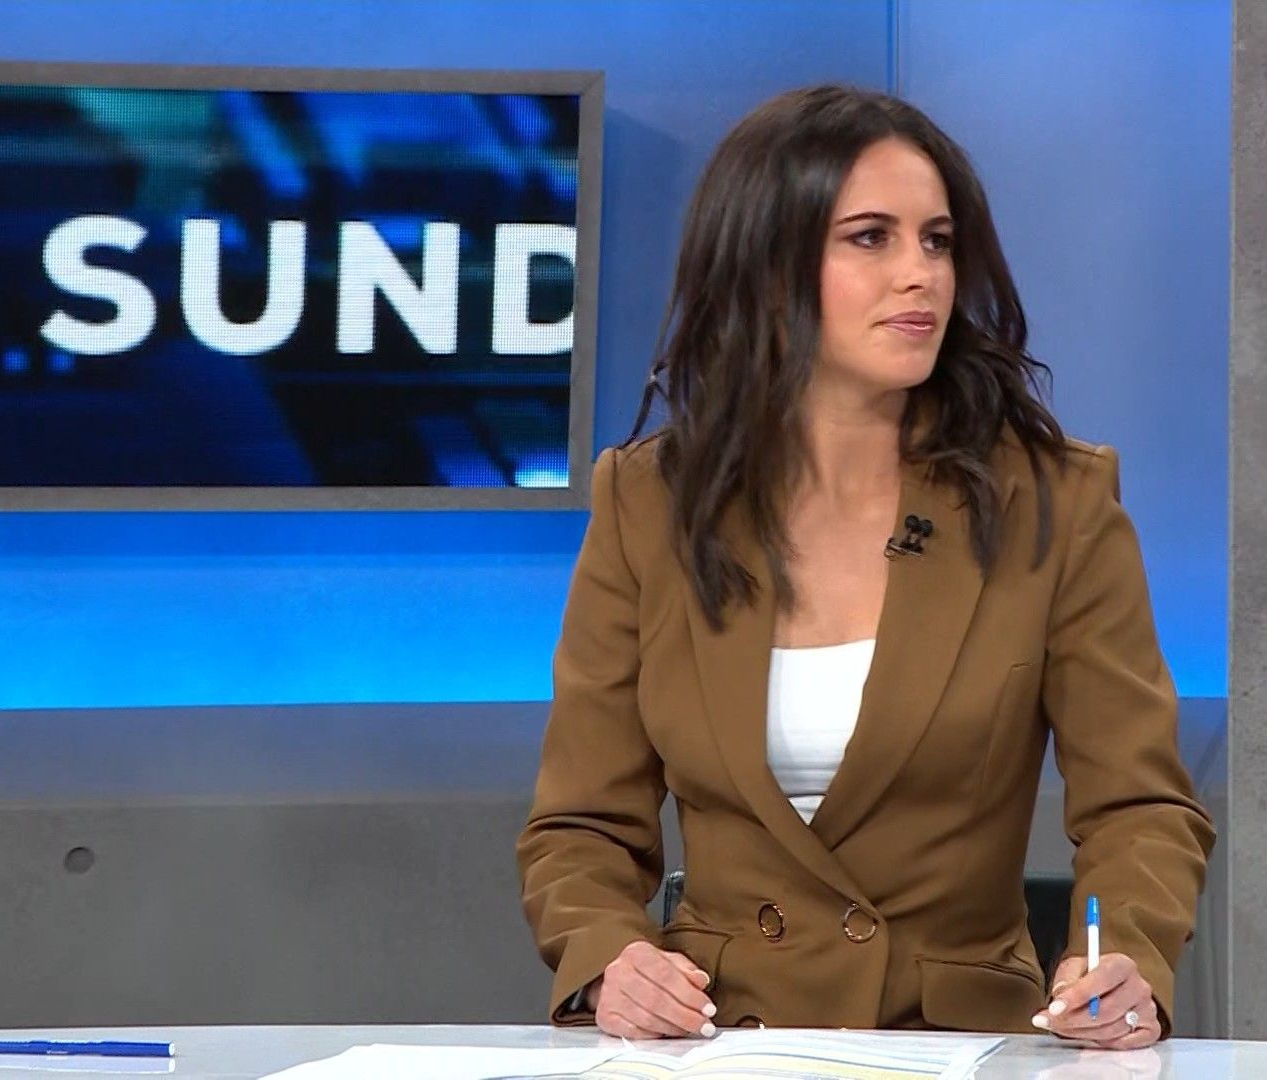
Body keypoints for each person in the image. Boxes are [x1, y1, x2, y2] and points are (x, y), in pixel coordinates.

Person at [516, 83, 1213, 1053]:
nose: (919, 274)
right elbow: (581, 826)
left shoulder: (1052, 503)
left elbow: (1139, 808)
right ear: (766, 265)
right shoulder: (650, 504)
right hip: (720, 1044)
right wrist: (611, 960)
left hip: (961, 1042)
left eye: (938, 241)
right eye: (871, 238)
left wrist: (1119, 956)